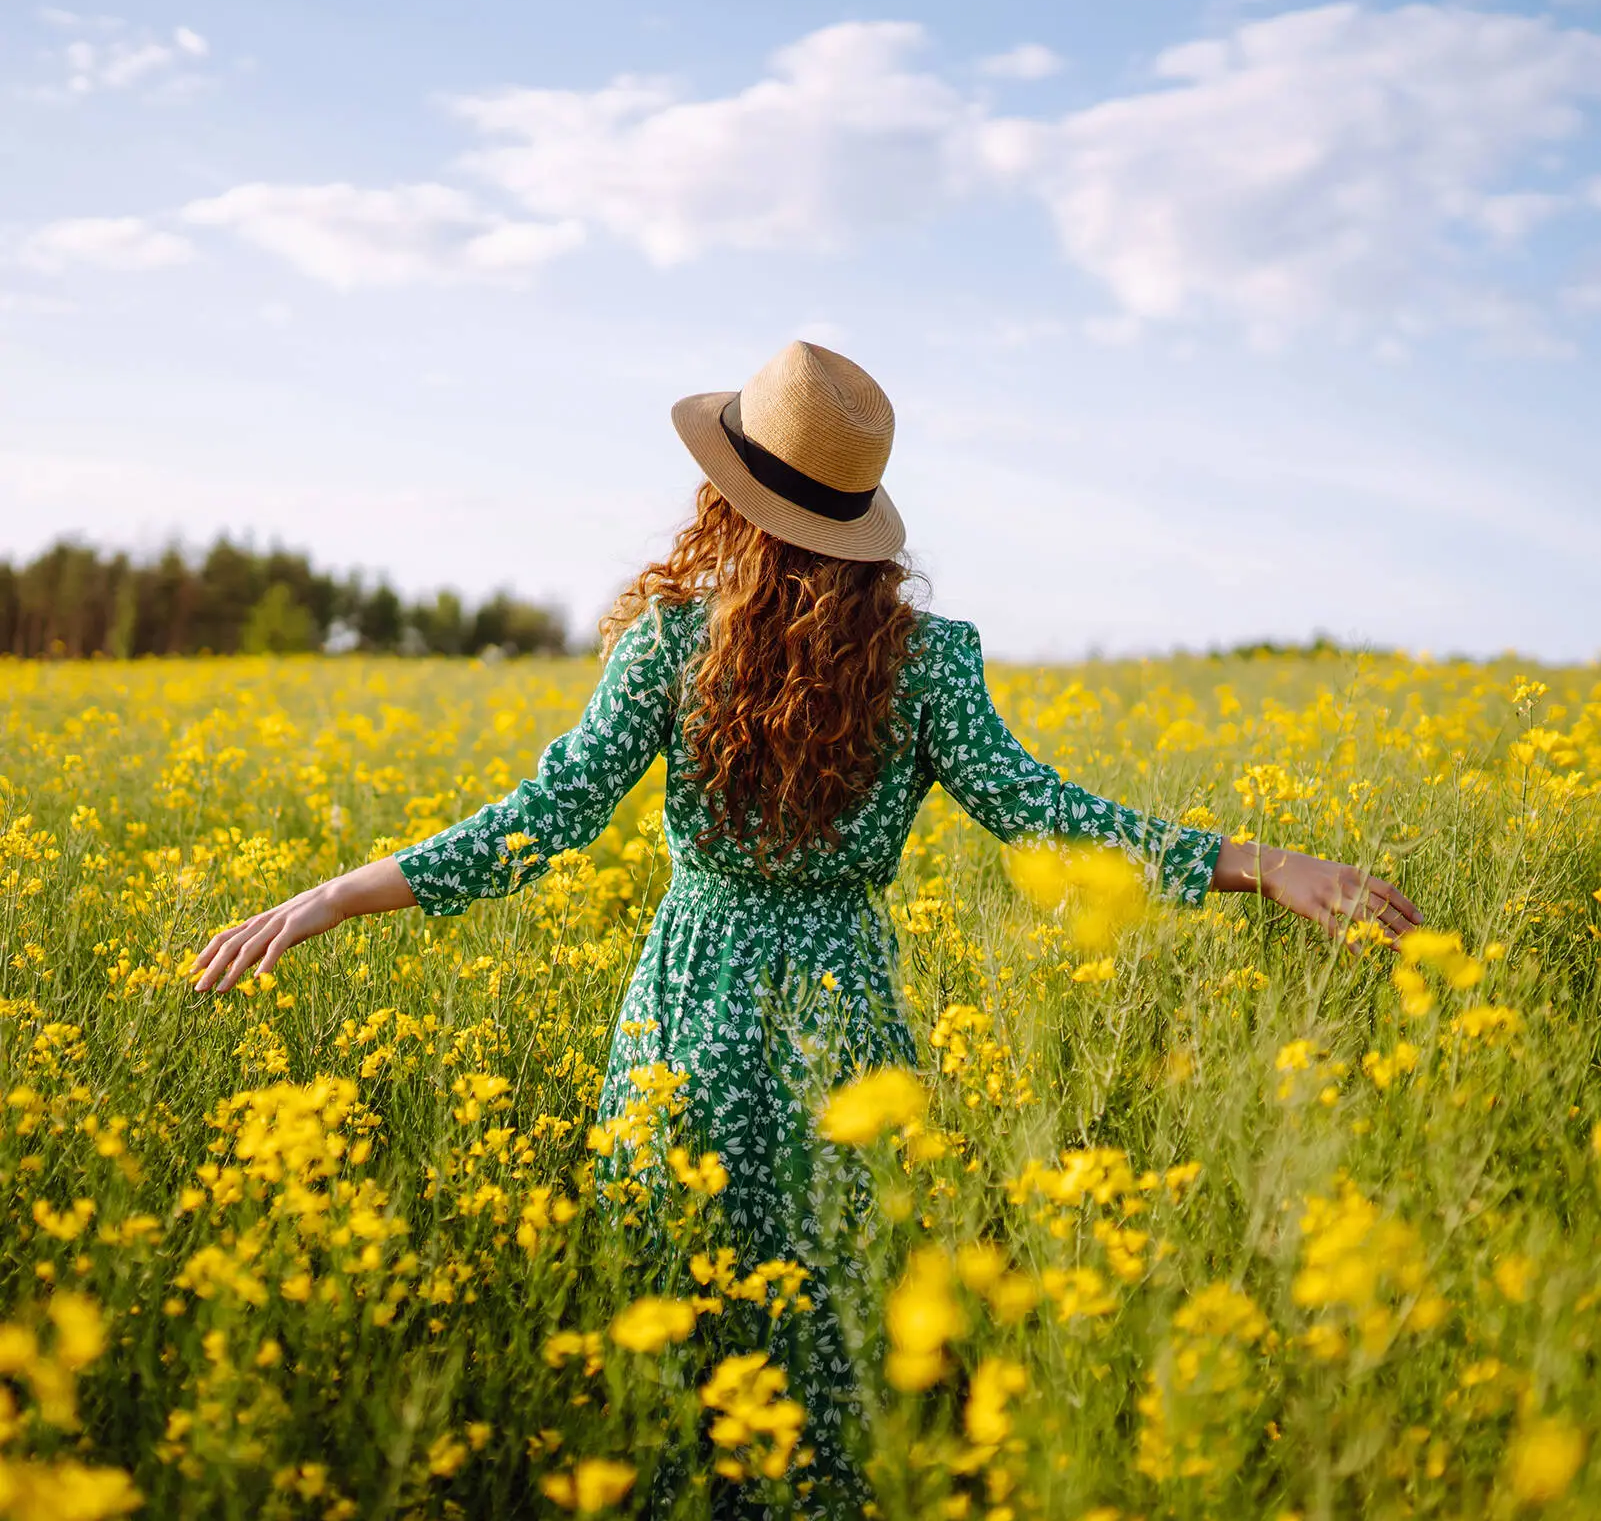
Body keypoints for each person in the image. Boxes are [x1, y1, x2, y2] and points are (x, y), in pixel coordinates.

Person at [189, 340, 1423, 1514]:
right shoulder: (929, 659)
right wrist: (1255, 864)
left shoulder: (667, 646)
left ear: (725, 496)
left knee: (681, 1346)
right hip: (841, 1039)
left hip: (686, 1017)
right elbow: (1045, 814)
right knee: (827, 1346)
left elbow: (541, 818)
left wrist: (330, 897)